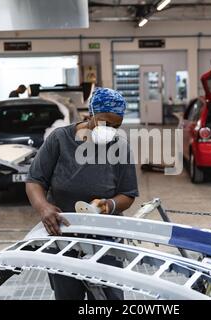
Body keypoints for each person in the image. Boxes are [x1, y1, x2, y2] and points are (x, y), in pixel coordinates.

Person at [25, 87, 139, 300]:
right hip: (63, 235)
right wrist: (43, 207)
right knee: (68, 293)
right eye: (105, 122)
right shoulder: (60, 139)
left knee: (109, 296)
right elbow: (35, 180)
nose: (110, 129)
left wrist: (110, 205)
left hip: (106, 238)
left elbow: (128, 193)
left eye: (116, 126)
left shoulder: (120, 147)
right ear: (91, 114)